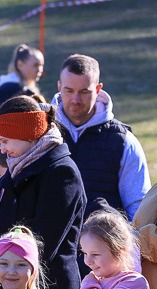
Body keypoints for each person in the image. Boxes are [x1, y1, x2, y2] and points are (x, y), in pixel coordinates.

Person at [0, 96, 86, 289]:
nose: (2, 150)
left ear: (26, 133)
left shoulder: (61, 173)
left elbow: (43, 243)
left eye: (5, 141)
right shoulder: (17, 169)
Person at [53, 54, 150, 220]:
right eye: (69, 91)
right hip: (49, 245)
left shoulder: (123, 141)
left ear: (98, 90)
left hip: (105, 244)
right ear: (59, 87)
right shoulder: (42, 133)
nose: (75, 99)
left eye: (84, 91)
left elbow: (139, 207)